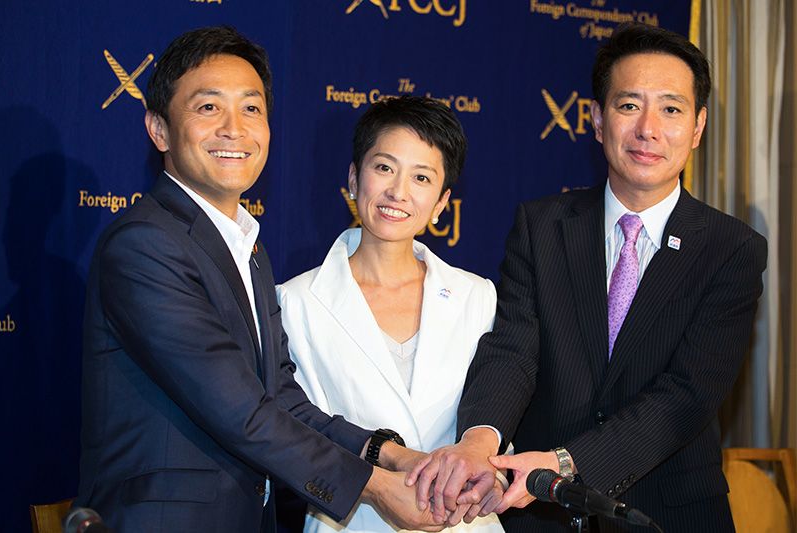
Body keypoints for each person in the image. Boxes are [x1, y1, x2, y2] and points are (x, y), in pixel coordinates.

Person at [407, 22, 767, 532]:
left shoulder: (731, 249)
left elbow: (687, 395)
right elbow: (513, 349)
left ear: (698, 126)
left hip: (669, 513)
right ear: (597, 120)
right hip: (540, 511)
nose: (648, 129)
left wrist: (567, 462)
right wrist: (478, 442)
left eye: (671, 109)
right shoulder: (541, 226)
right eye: (629, 105)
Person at [76, 26, 438, 533]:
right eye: (208, 107)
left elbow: (279, 398)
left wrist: (392, 455)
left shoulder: (248, 248)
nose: (234, 129)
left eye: (251, 108)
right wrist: (375, 487)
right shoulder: (144, 245)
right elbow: (239, 411)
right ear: (159, 130)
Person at [277, 96, 504, 532]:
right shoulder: (295, 302)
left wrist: (494, 476)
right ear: (353, 177)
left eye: (421, 177)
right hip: (353, 522)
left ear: (442, 202)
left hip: (463, 522)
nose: (398, 192)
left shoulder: (477, 297)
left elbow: (495, 422)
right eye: (384, 167)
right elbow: (296, 432)